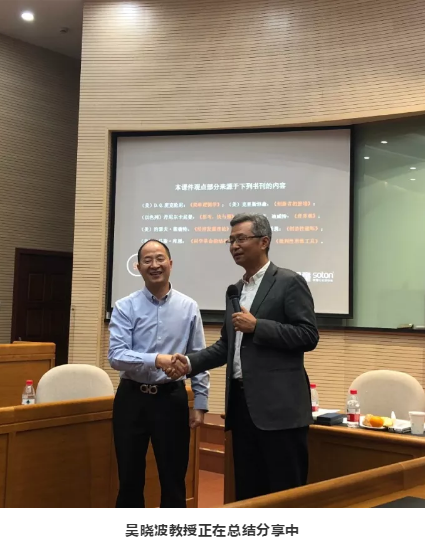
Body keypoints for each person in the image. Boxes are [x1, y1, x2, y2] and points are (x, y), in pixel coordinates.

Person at [169, 213, 319, 501]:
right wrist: (189, 363)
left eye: (241, 239)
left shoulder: (289, 281)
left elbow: (308, 335)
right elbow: (227, 346)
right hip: (242, 408)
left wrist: (258, 326)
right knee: (249, 495)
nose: (234, 246)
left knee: (285, 496)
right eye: (231, 240)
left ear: (264, 242)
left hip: (280, 412)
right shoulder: (235, 290)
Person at [108, 239, 209, 508]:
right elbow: (116, 356)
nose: (155, 265)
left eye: (160, 258)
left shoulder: (188, 307)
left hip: (171, 399)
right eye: (148, 260)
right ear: (138, 267)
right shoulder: (124, 307)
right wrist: (156, 359)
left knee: (174, 480)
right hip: (132, 399)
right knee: (129, 480)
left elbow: (198, 357)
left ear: (170, 264)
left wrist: (200, 403)